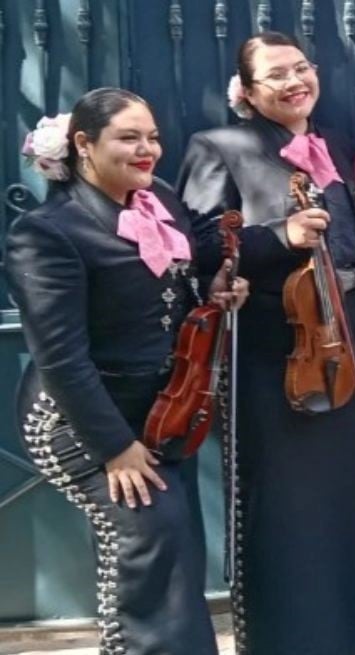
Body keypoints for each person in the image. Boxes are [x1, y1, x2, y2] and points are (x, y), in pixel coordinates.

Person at [6, 88, 247, 655]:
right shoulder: (46, 234)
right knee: (149, 540)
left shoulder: (156, 200)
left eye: (153, 137)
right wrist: (115, 448)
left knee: (172, 547)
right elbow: (60, 357)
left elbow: (168, 290)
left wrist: (214, 291)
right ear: (84, 145)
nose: (148, 150)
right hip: (79, 421)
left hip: (161, 409)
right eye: (129, 138)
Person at [176, 31, 355, 654]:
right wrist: (279, 235)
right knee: (290, 503)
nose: (295, 82)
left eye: (302, 67)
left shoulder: (334, 146)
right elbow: (199, 247)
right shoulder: (220, 146)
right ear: (247, 90)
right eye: (277, 75)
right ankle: (290, 637)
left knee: (348, 496)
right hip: (278, 349)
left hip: (343, 341)